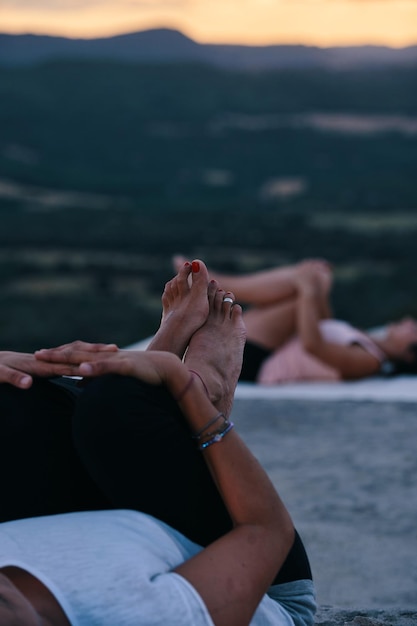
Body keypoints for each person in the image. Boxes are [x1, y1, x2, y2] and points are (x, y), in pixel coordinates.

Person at [0, 260, 315, 626]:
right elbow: (265, 531)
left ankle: (154, 383)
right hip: (258, 578)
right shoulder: (146, 613)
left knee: (12, 402)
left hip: (99, 520)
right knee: (114, 407)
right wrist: (181, 383)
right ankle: (205, 391)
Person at [173, 256, 417, 384]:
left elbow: (314, 346)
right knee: (317, 279)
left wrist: (309, 292)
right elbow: (324, 324)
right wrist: (316, 290)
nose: (409, 321)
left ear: (409, 353)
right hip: (259, 350)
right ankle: (211, 284)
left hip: (252, 363)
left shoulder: (370, 362)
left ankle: (211, 283)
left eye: (414, 328)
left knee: (310, 284)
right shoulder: (370, 343)